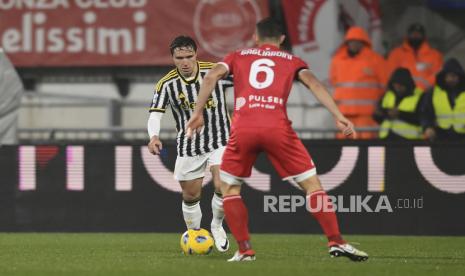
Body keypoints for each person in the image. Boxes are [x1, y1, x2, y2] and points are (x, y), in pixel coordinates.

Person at [186, 18, 368, 262]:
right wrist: (339, 116)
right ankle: (336, 241)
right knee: (313, 186)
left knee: (230, 188)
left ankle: (245, 249)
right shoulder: (292, 60)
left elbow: (210, 77)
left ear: (256, 37)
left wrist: (197, 113)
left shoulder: (237, 55)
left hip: (243, 128)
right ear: (282, 39)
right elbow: (313, 83)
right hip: (277, 127)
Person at [147, 35, 232, 252]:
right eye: (179, 57)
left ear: (196, 54)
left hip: (221, 139)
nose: (185, 62)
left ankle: (217, 225)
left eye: (189, 56)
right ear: (172, 58)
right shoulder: (166, 84)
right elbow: (155, 114)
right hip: (190, 144)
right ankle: (194, 234)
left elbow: (244, 82)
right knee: (191, 195)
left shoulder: (214, 71)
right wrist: (154, 136)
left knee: (223, 185)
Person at [330, 26, 388, 139]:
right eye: (351, 41)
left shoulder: (375, 59)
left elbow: (384, 85)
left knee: (366, 147)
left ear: (363, 42)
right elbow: (334, 82)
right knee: (343, 149)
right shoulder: (337, 60)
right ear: (347, 43)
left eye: (357, 41)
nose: (354, 44)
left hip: (367, 115)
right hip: (344, 114)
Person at [387, 23, 443, 90]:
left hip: (427, 94)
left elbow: (438, 74)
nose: (415, 36)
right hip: (403, 94)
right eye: (413, 34)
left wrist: (422, 87)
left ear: (424, 36)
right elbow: (390, 75)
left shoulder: (435, 55)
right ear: (408, 35)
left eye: (418, 34)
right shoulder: (395, 54)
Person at [373, 68, 424, 140]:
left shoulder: (419, 96)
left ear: (407, 84)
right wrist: (383, 113)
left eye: (400, 85)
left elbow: (422, 119)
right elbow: (377, 116)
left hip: (409, 140)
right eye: (395, 85)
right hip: (386, 138)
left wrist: (399, 114)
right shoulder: (388, 95)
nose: (397, 88)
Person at [421, 58, 465, 141]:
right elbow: (425, 113)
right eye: (447, 76)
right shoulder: (434, 92)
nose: (450, 79)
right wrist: (427, 127)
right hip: (441, 137)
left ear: (460, 77)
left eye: (453, 76)